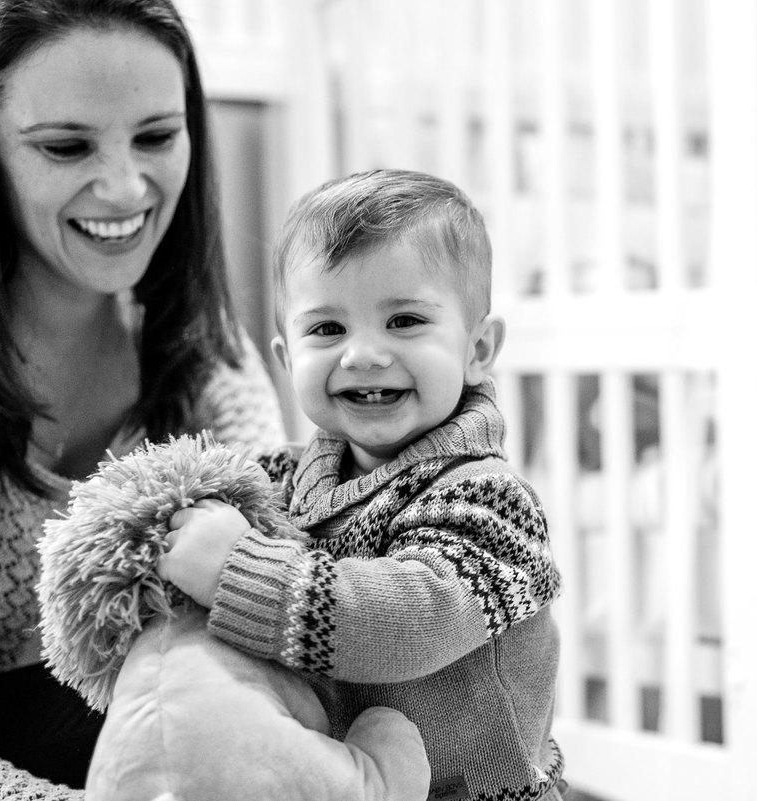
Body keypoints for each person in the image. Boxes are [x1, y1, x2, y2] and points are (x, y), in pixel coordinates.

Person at [0, 0, 286, 796]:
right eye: (66, 146)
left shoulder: (208, 363)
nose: (126, 187)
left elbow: (279, 624)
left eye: (156, 136)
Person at [160, 169, 567, 800]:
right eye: (327, 329)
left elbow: (406, 628)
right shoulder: (283, 479)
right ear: (288, 359)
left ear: (478, 349)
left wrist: (236, 570)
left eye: (404, 320)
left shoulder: (489, 500)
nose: (363, 355)